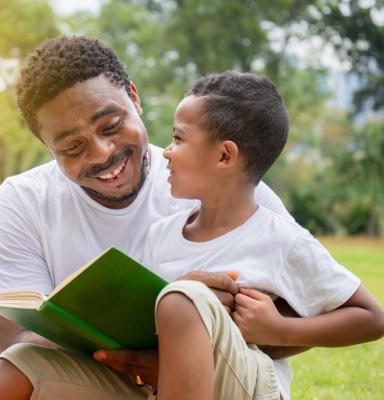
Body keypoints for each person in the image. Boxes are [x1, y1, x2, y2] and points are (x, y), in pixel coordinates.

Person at [0, 36, 306, 400]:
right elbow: (16, 342)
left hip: (224, 380)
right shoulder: (21, 202)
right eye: (72, 147)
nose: (103, 153)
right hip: (109, 382)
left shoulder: (226, 184)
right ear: (48, 148)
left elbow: (309, 314)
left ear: (134, 98)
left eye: (110, 126)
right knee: (19, 363)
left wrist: (192, 337)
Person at [134, 71, 384, 399]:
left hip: (250, 383)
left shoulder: (281, 239)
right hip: (164, 382)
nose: (166, 151)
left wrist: (279, 329)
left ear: (224, 155)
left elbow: (371, 318)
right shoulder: (161, 234)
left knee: (184, 301)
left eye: (178, 139)